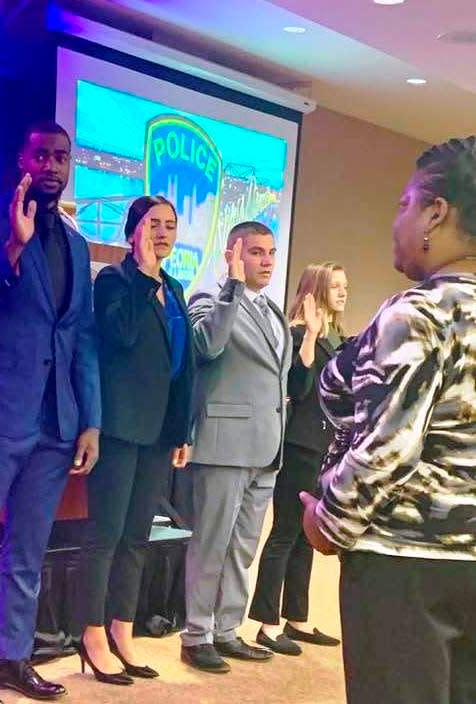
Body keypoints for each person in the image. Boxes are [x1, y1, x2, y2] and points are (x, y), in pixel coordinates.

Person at [301, 136, 476, 704]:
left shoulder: (418, 311)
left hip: (406, 570)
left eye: (405, 204)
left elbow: (388, 449)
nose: (396, 219)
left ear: (435, 213)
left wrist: (327, 522)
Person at [0, 121, 101, 704]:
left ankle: (12, 658)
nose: (53, 166)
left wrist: (91, 420)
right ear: (21, 159)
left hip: (57, 422)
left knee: (28, 551)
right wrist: (13, 247)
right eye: (42, 155)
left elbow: (80, 335)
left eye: (62, 157)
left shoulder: (78, 245)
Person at [78, 196, 195, 685]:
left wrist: (182, 429)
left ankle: (123, 628)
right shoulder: (114, 281)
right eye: (153, 225)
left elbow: (183, 367)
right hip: (120, 428)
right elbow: (119, 337)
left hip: (159, 432)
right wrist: (144, 275)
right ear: (132, 232)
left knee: (137, 538)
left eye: (170, 226)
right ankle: (91, 634)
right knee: (105, 536)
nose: (162, 234)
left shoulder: (177, 288)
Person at [180, 221, 292, 673]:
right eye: (257, 253)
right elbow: (207, 345)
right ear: (233, 255)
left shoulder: (274, 310)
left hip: (266, 450)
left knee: (244, 546)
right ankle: (195, 634)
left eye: (270, 253)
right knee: (212, 543)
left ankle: (227, 630)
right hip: (224, 446)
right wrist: (232, 288)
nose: (266, 261)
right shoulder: (210, 299)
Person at [248, 262, 347, 655]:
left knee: (309, 533)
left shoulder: (336, 337)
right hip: (298, 446)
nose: (343, 293)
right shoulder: (295, 333)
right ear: (317, 290)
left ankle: (297, 617)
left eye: (345, 286)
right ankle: (266, 624)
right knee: (286, 530)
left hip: (323, 447)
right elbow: (298, 388)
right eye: (336, 286)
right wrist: (308, 334)